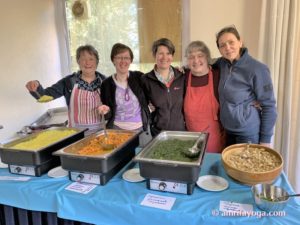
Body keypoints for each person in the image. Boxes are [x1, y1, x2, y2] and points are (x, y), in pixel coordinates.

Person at [215, 25, 277, 147]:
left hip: (248, 133)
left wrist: (265, 141)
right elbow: (204, 64)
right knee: (228, 166)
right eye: (222, 45)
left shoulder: (258, 69)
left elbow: (269, 107)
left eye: (231, 42)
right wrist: (184, 69)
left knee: (245, 166)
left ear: (240, 42)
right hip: (228, 131)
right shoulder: (221, 64)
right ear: (219, 49)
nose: (227, 47)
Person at [25, 44, 106, 133]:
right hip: (76, 133)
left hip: (101, 132)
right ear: (78, 62)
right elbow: (44, 96)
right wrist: (36, 86)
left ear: (97, 62)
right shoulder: (68, 82)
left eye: (91, 59)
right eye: (83, 59)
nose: (87, 63)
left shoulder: (106, 82)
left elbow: (115, 107)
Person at [98, 43, 150, 133]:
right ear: (113, 60)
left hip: (142, 128)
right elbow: (108, 114)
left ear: (131, 60)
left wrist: (175, 70)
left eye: (126, 58)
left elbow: (156, 81)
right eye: (118, 57)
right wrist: (105, 111)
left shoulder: (139, 77)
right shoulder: (106, 84)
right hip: (117, 129)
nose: (123, 61)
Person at [183, 41, 225, 153]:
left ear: (207, 58)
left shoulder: (219, 75)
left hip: (214, 139)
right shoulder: (184, 77)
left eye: (200, 55)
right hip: (190, 139)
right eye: (191, 57)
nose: (196, 60)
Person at [142, 38, 186, 136]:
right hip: (158, 133)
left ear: (172, 56)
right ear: (154, 55)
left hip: (181, 131)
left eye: (168, 53)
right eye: (160, 53)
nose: (164, 57)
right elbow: (142, 105)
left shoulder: (182, 77)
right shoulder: (145, 80)